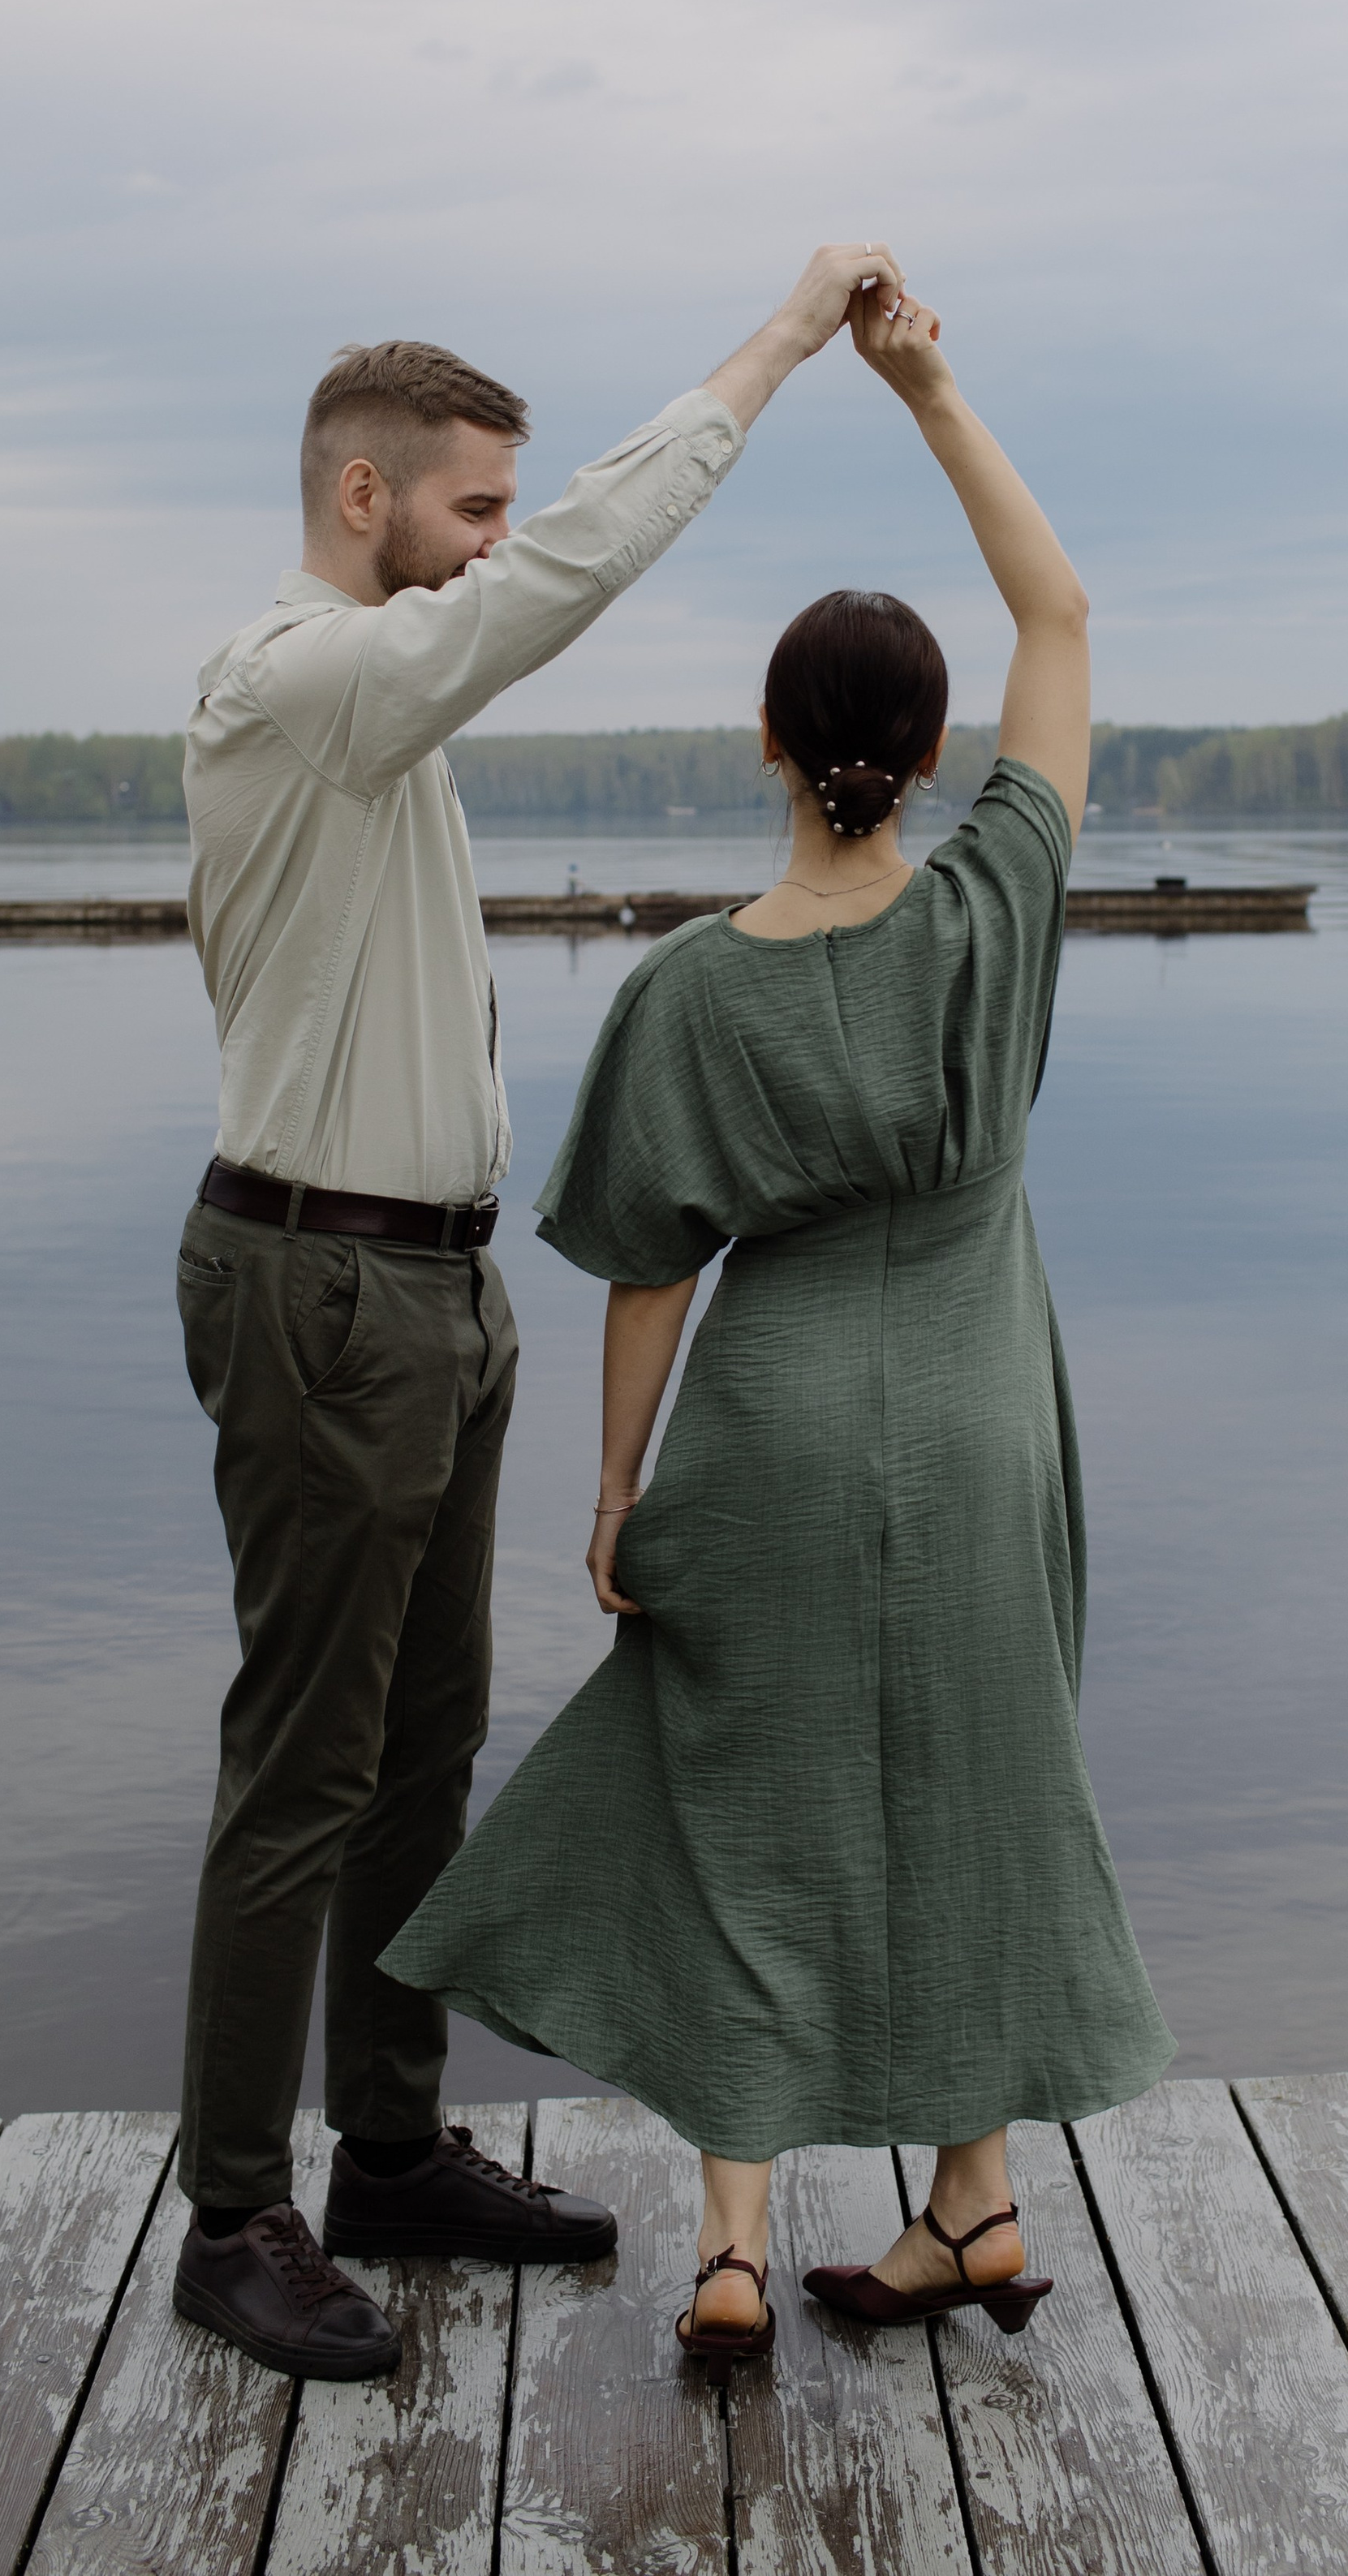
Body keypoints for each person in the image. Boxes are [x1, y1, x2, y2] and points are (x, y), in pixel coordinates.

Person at [382, 273, 1175, 2379]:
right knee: (977, 1786)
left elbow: (651, 1268)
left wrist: (620, 1493)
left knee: (745, 1804)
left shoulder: (691, 989)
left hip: (775, 1430)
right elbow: (1066, 618)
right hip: (990, 1421)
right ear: (926, 757)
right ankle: (975, 2205)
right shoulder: (1000, 905)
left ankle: (734, 2254)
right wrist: (929, 388)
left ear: (765, 744)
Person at [170, 242, 915, 2382]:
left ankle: (389, 2154)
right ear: (360, 500)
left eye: (502, 505)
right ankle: (235, 2217)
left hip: (423, 1281)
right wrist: (777, 349)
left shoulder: (371, 702)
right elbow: (564, 577)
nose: (494, 545)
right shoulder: (296, 678)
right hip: (319, 1283)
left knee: (419, 1752)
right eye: (468, 508)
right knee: (298, 1765)